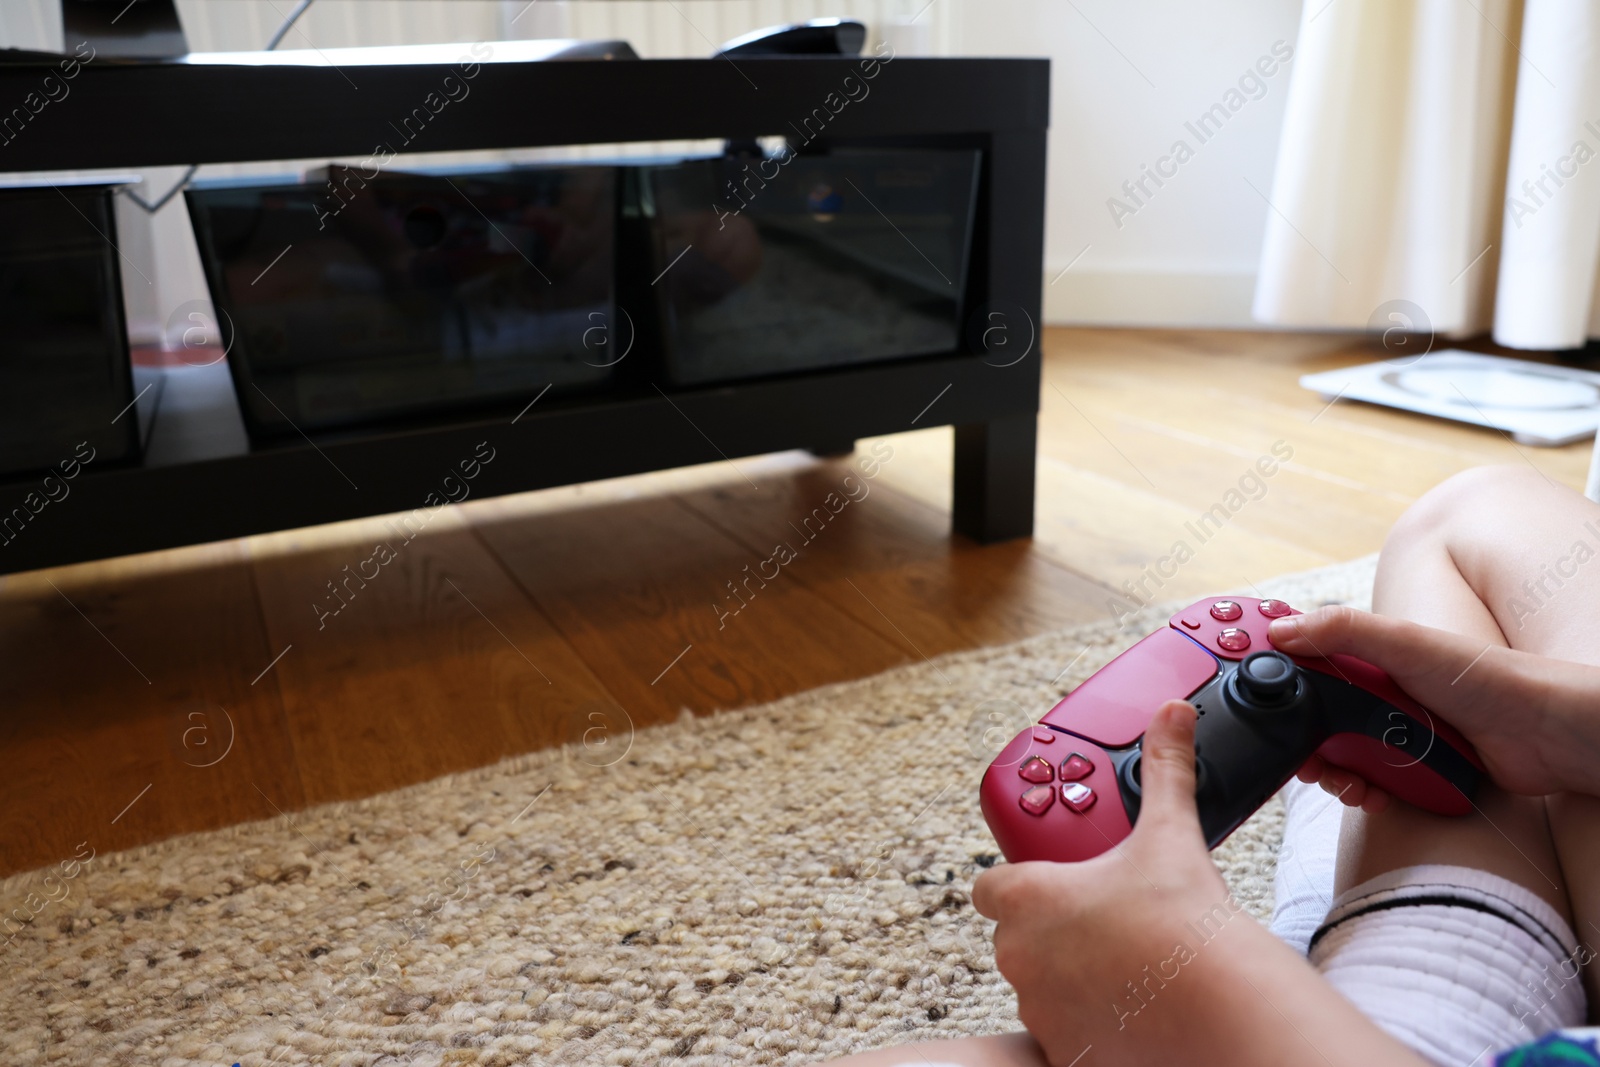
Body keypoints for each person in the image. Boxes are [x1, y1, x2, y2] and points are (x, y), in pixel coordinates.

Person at [823, 465, 1600, 1067]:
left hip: (1411, 1022)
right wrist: (1552, 713)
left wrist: (1218, 1010)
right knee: (1477, 510)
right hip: (1407, 1002)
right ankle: (1554, 734)